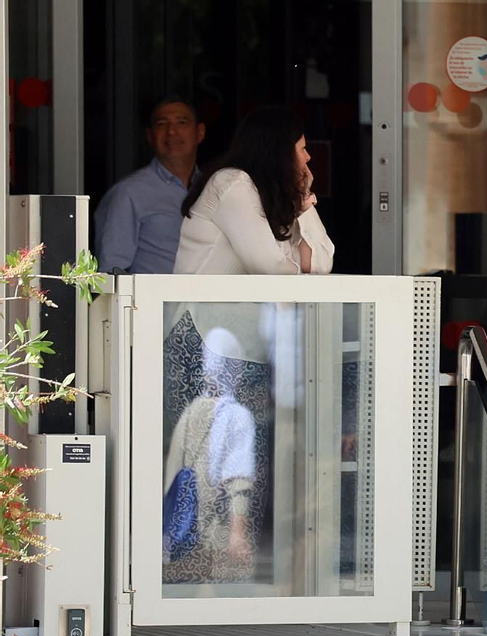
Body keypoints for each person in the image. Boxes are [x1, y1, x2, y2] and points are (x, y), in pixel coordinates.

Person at [175, 106, 334, 275]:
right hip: (200, 294)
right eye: (302, 149)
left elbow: (320, 265)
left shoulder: (272, 197)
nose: (308, 157)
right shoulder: (232, 182)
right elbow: (268, 267)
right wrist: (300, 273)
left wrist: (304, 200)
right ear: (282, 153)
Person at [162, 327, 257, 585]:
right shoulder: (237, 416)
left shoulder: (191, 412)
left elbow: (172, 473)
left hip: (183, 531)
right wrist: (238, 535)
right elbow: (238, 482)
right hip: (217, 532)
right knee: (222, 598)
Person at [94, 97, 206, 274]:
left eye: (181, 122)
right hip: (152, 293)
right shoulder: (128, 193)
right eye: (162, 124)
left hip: (212, 292)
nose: (172, 131)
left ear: (200, 133)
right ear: (150, 136)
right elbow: (112, 271)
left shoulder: (214, 188)